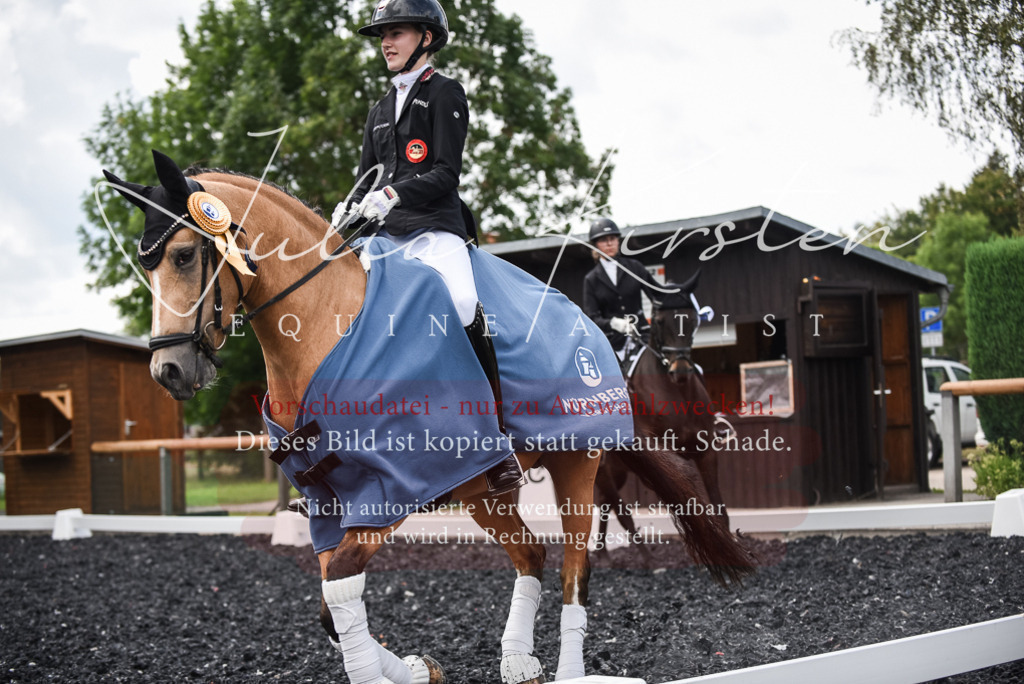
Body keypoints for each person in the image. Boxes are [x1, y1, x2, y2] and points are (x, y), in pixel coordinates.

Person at [339, 0, 524, 496]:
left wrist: (393, 193)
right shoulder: (379, 109)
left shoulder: (446, 93)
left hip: (434, 228)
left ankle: (497, 439)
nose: (385, 43)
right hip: (382, 236)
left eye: (395, 32)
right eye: (382, 35)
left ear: (425, 37)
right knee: (344, 314)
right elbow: (366, 178)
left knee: (463, 306)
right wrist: (347, 207)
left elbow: (445, 171)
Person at [582, 217, 662, 363]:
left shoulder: (635, 267)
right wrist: (613, 323)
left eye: (612, 238)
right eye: (603, 240)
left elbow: (657, 295)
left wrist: (687, 302)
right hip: (613, 342)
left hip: (642, 335)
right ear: (595, 246)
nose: (609, 243)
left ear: (618, 241)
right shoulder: (591, 279)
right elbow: (592, 318)